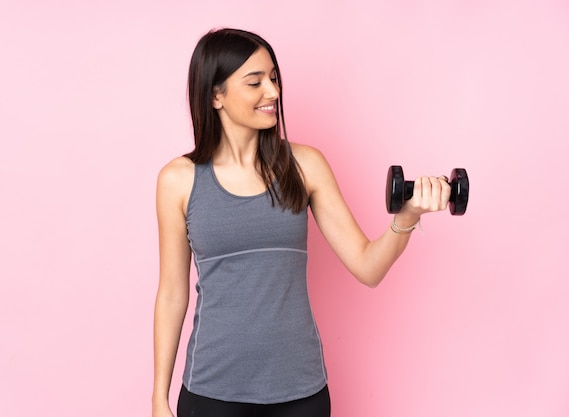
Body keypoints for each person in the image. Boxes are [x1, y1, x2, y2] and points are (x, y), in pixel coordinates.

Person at [152, 28, 452, 417]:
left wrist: (408, 215)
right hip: (212, 392)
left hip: (300, 394)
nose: (273, 92)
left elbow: (367, 266)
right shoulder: (178, 180)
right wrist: (159, 397)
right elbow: (173, 295)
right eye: (255, 81)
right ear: (215, 95)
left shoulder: (305, 165)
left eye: (274, 78)